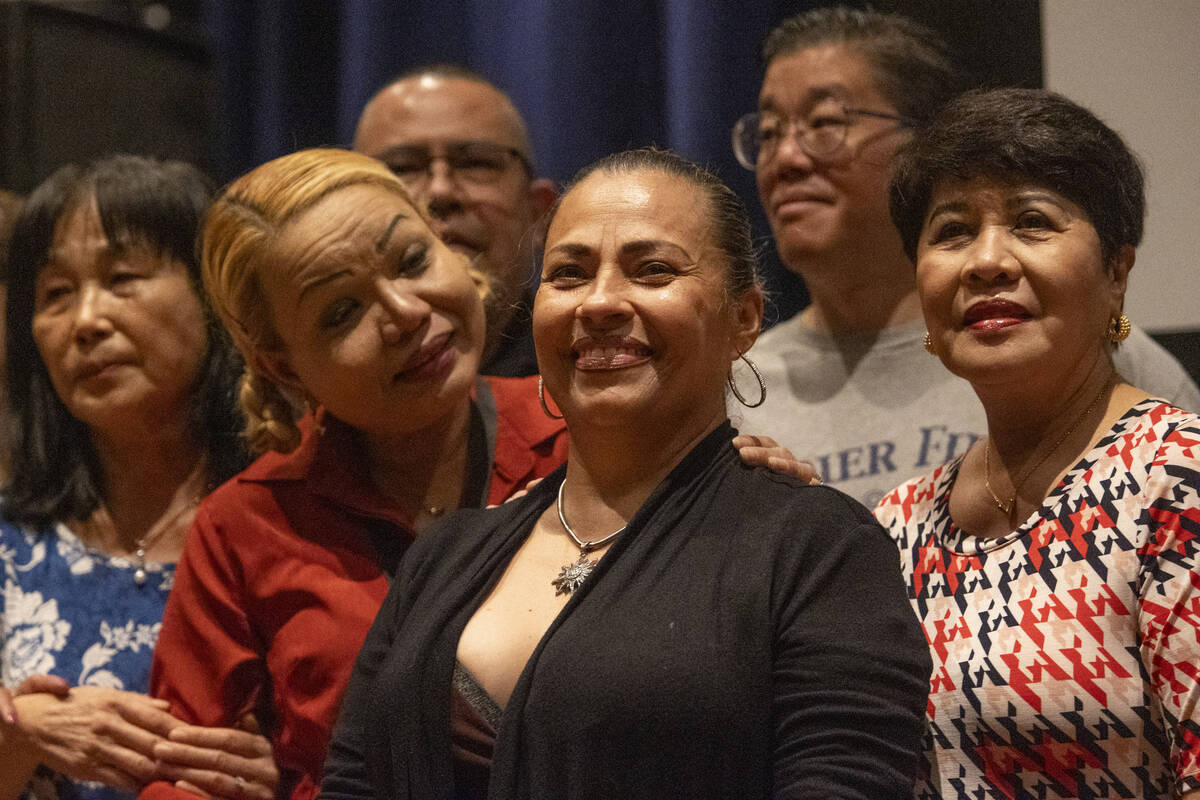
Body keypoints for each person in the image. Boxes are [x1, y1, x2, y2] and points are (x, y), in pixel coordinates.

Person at [141, 148, 803, 800]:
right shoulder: (246, 525)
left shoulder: (605, 442)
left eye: (412, 260)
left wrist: (745, 499)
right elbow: (182, 771)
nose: (403, 312)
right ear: (283, 366)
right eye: (341, 312)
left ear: (452, 250)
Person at [320, 148, 931, 799]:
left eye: (652, 270)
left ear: (745, 317)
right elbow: (354, 781)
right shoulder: (445, 555)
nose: (601, 301)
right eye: (568, 274)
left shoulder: (818, 546)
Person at [734, 7, 1200, 508]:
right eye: (768, 133)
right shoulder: (737, 388)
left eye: (824, 123)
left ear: (924, 142)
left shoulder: (1087, 351)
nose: (784, 159)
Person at [875, 87, 1200, 798]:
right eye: (953, 231)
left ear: (1117, 271)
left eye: (1032, 222)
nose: (986, 261)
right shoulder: (897, 524)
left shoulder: (1179, 476)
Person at [0, 156, 276, 800]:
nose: (86, 321)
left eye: (122, 278)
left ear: (214, 300)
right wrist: (20, 732)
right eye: (55, 295)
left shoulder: (297, 517)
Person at [354, 65, 557, 377]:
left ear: (539, 214)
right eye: (402, 168)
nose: (440, 190)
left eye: (477, 163)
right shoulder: (288, 402)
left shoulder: (589, 381)